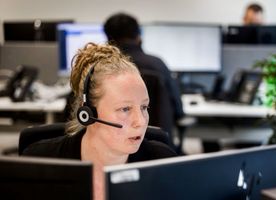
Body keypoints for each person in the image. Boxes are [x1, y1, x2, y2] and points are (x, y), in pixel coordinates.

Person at [22, 43, 177, 200]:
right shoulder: (40, 164)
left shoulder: (163, 163)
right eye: (125, 109)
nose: (141, 121)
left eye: (144, 107)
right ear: (87, 113)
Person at [103, 13, 185, 145]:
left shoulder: (99, 69)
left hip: (113, 149)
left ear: (107, 40)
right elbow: (179, 111)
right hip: (158, 148)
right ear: (138, 36)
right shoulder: (157, 64)